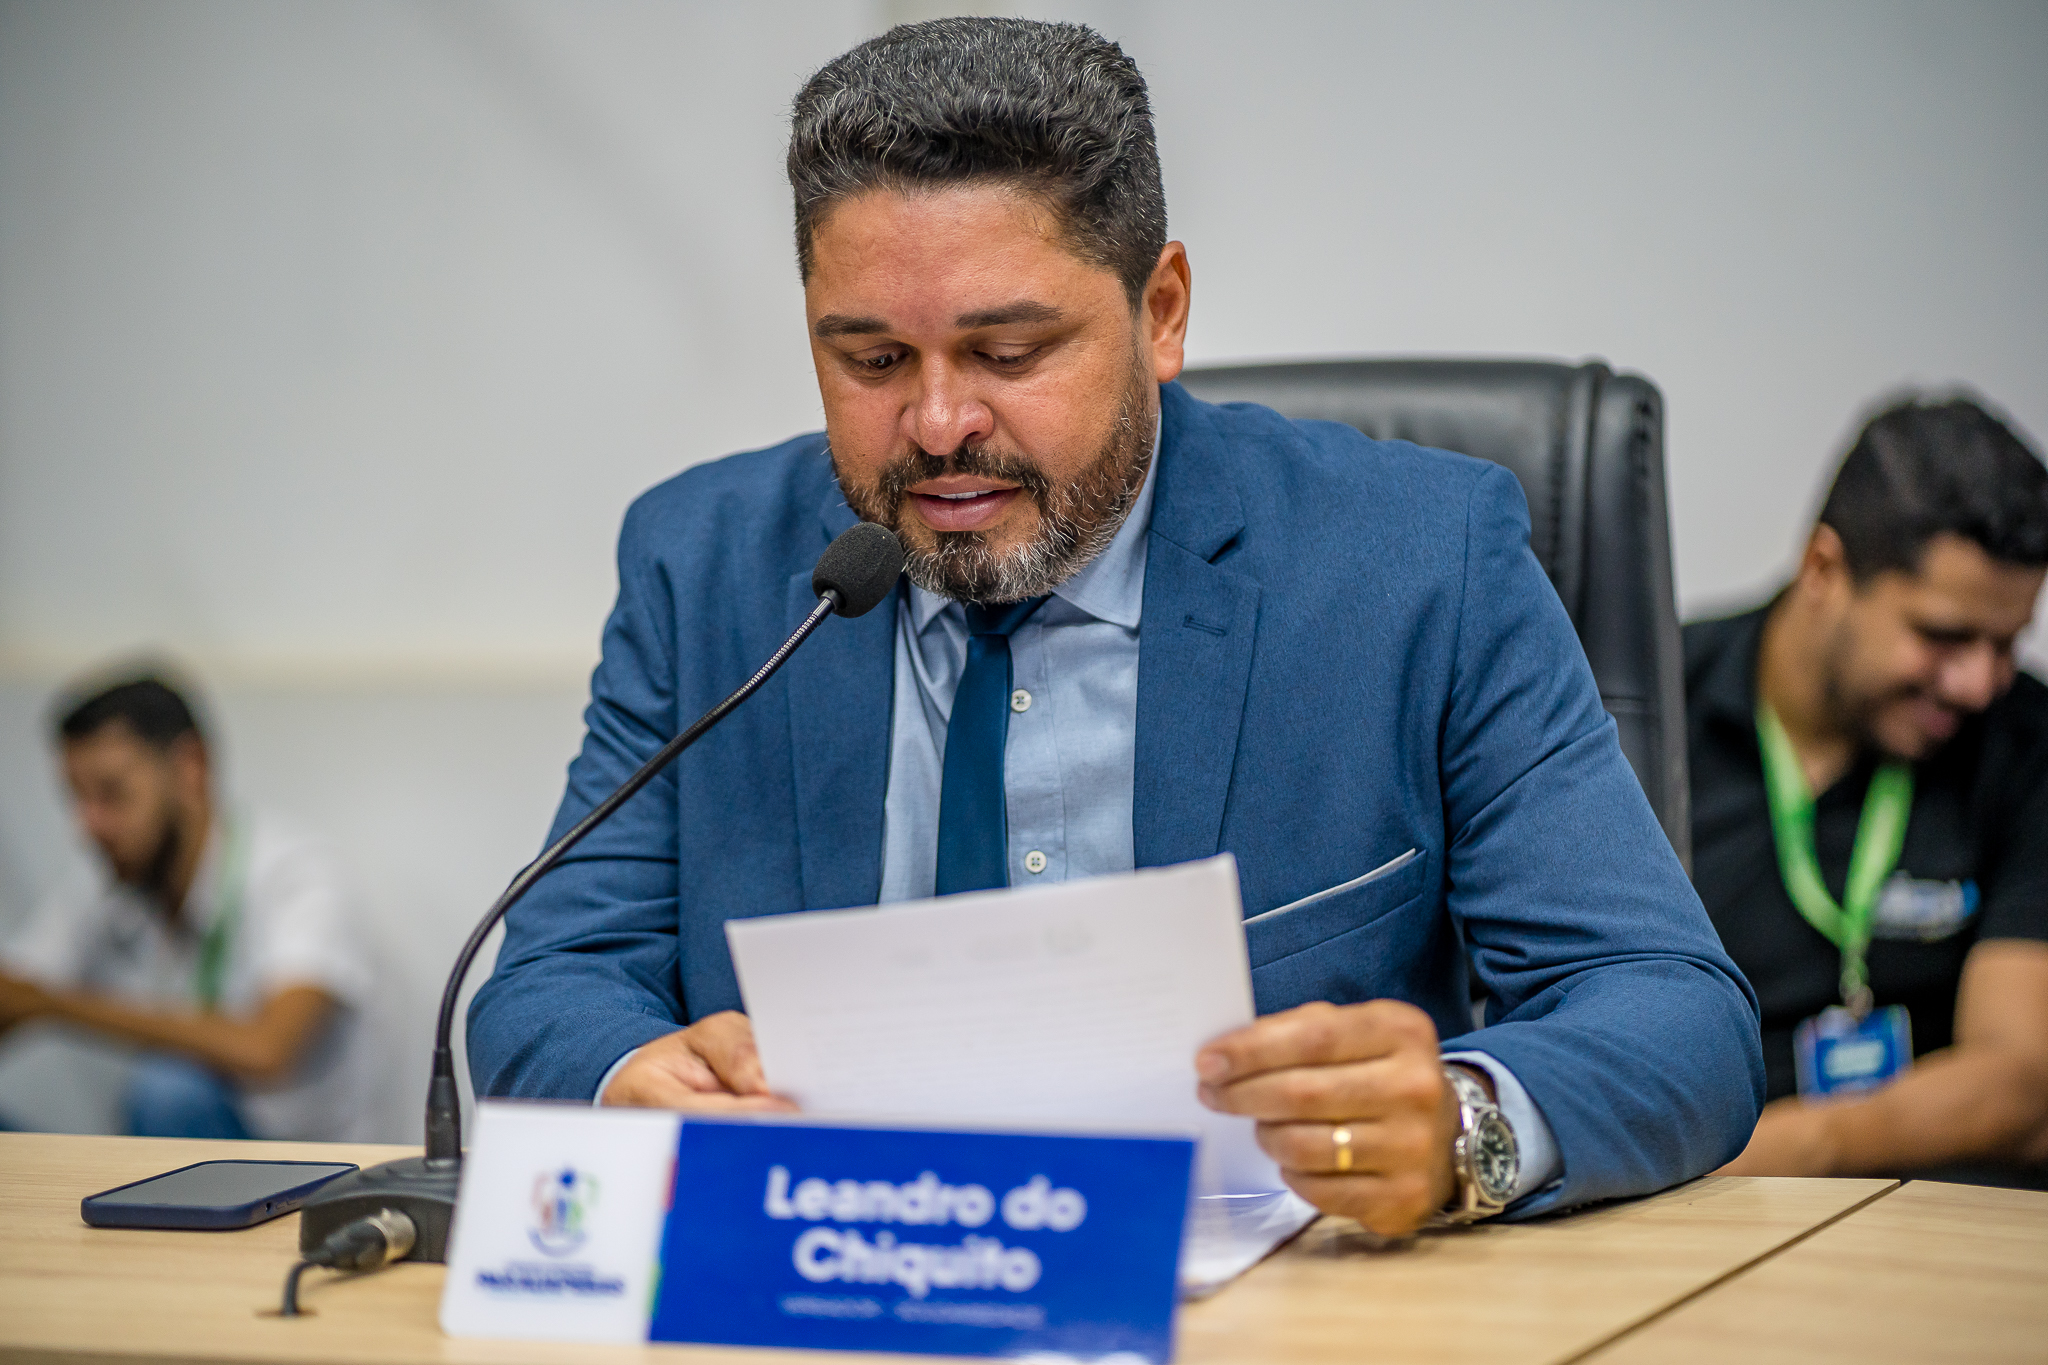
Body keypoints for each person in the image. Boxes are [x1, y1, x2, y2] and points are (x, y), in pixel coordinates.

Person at [469, 17, 1763, 1236]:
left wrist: (1461, 1124)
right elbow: (548, 982)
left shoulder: (1418, 562)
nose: (937, 424)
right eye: (871, 361)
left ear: (1161, 313)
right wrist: (633, 1074)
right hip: (830, 1288)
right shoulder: (705, 565)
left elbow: (1674, 1012)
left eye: (1008, 352)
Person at [1690, 397, 2048, 1184]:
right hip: (1681, 1212)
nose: (1979, 682)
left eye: (2007, 642)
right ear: (1824, 569)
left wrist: (1770, 1155)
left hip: (1930, 1205)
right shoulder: (1638, 710)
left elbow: (2023, 1083)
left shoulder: (2028, 743)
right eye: (1944, 635)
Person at [0, 673, 376, 1140]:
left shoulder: (297, 874)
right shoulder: (112, 877)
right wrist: (30, 1000)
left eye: (112, 793)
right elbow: (14, 989)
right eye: (76, 798)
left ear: (190, 767)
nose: (88, 826)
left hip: (312, 1167)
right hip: (191, 1146)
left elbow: (269, 1049)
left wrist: (52, 1005)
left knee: (169, 1093)